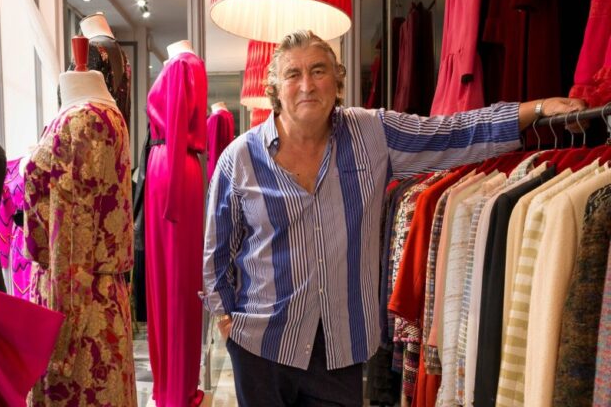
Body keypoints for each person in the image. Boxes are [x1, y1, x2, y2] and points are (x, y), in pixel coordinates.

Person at [201, 29, 585, 406]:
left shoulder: (373, 133)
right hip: (262, 345)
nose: (307, 85)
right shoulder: (240, 159)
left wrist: (533, 111)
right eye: (293, 74)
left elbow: (449, 133)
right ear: (275, 89)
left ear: (337, 82)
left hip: (340, 348)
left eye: (318, 71)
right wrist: (227, 320)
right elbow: (217, 252)